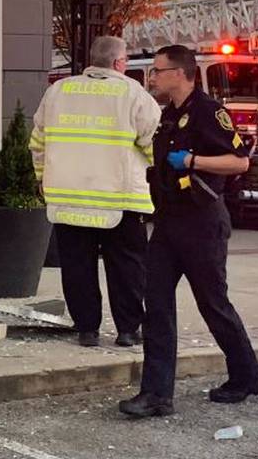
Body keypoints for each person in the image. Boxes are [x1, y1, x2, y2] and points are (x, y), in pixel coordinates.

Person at [118, 44, 258, 418]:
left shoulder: (208, 113)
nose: (153, 77)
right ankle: (156, 395)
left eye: (158, 70)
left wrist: (193, 160)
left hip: (202, 222)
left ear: (181, 73)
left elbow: (239, 161)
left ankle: (247, 374)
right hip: (168, 222)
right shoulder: (169, 115)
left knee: (213, 304)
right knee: (157, 306)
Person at [30, 35, 160, 348]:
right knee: (127, 267)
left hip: (69, 197)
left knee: (77, 266)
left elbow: (38, 142)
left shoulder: (58, 91)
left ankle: (87, 329)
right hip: (120, 199)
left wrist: (42, 179)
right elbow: (154, 141)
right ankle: (128, 330)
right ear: (119, 63)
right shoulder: (132, 93)